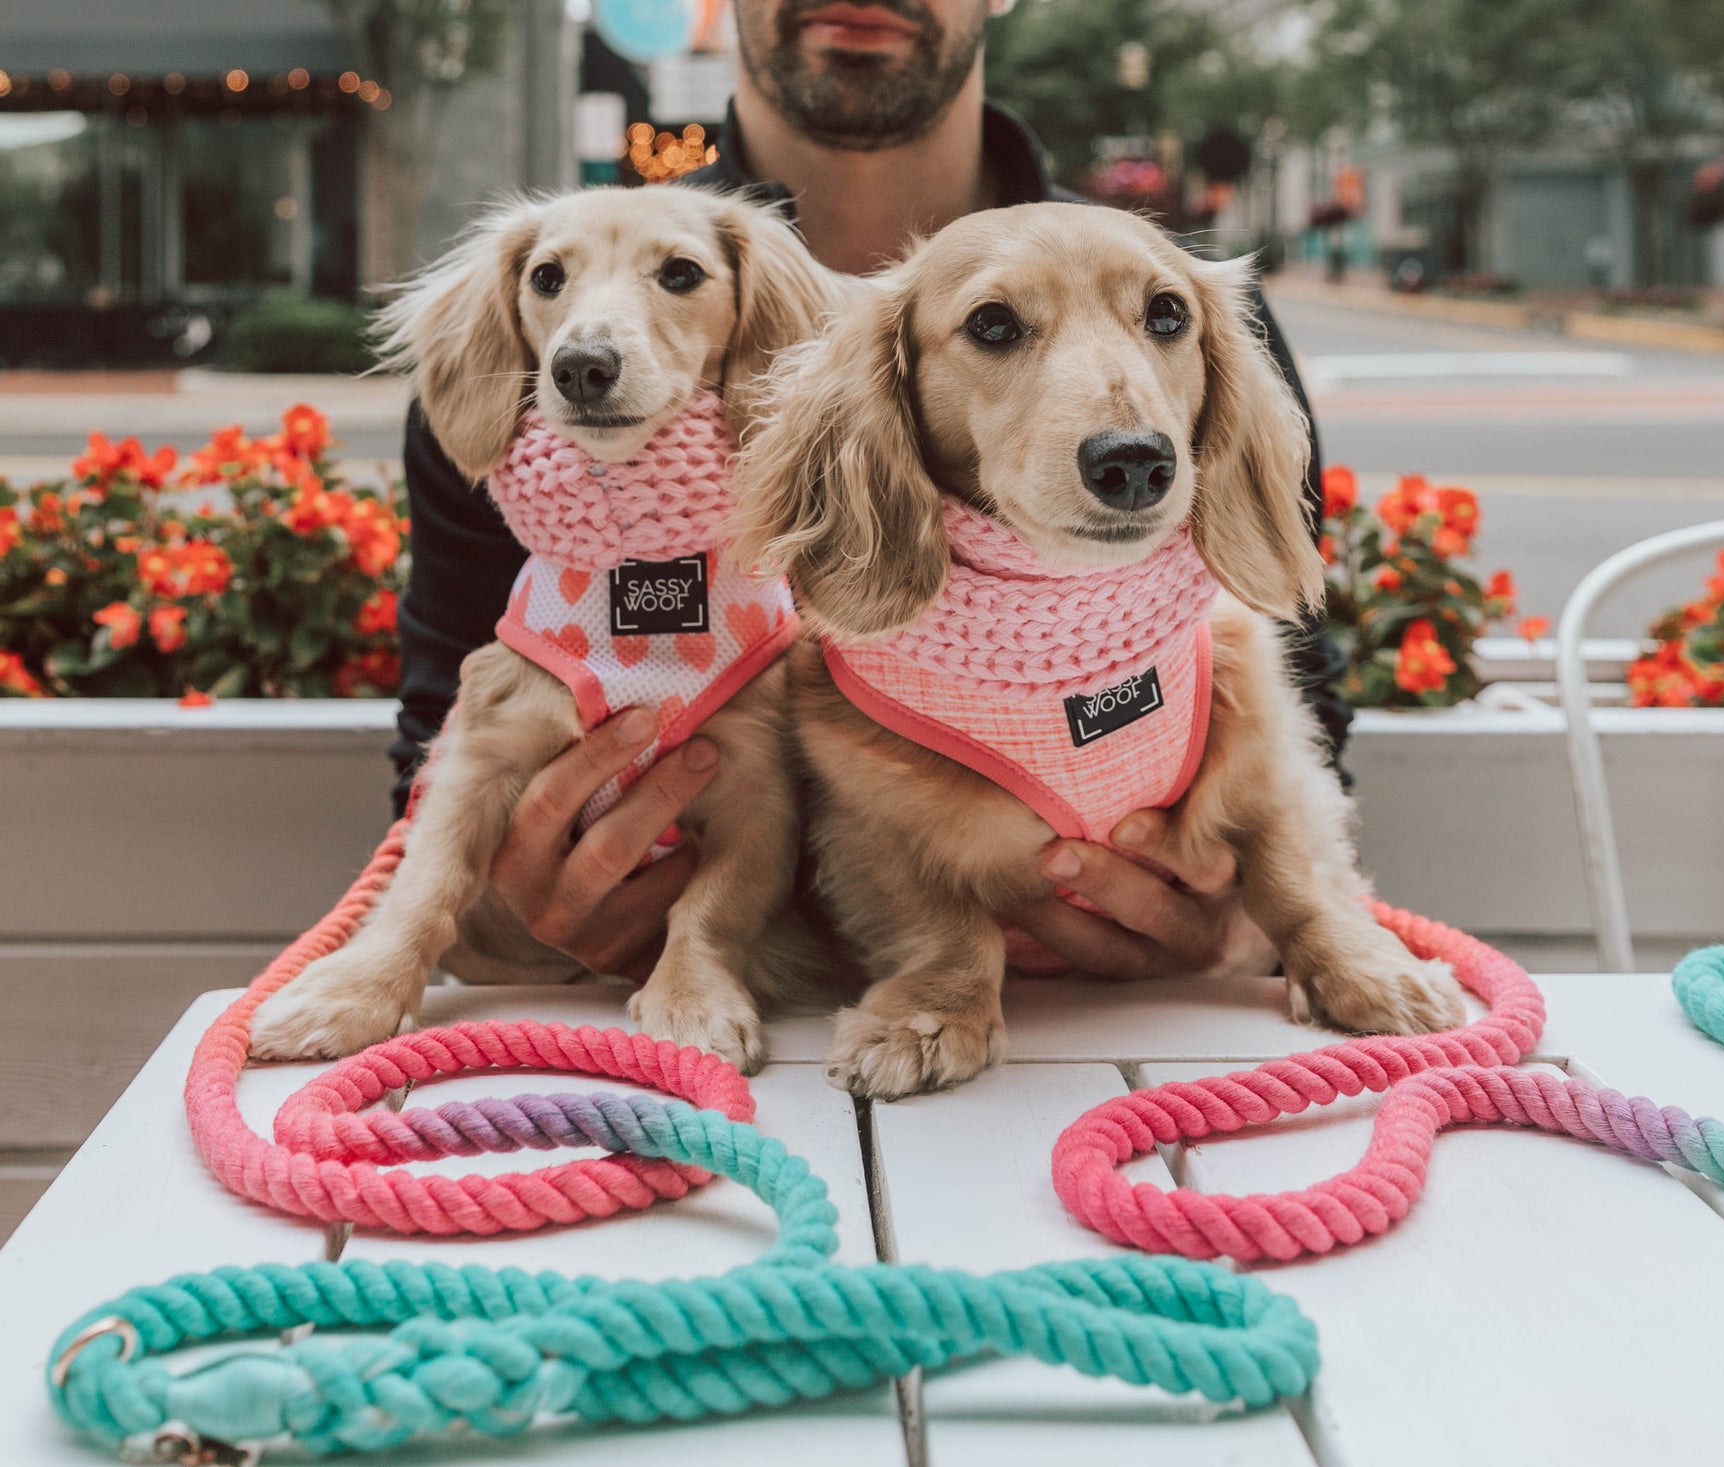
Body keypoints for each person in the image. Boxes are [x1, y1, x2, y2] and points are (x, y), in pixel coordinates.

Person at [393, 0, 1350, 986]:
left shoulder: (1174, 314)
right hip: (682, 1048)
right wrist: (506, 922)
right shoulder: (556, 355)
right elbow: (436, 778)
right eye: (995, 327)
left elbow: (1295, 703)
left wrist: (1239, 926)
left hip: (1098, 1054)